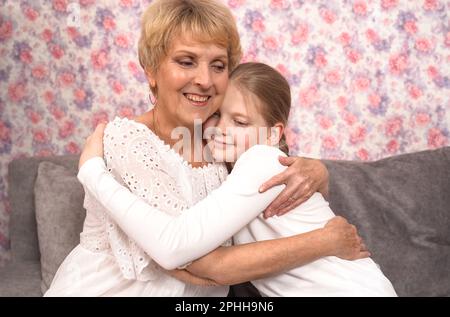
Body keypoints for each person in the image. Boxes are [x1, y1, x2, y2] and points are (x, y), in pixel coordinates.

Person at [45, 0, 365, 297]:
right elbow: (195, 261)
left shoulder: (221, 141)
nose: (204, 80)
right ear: (152, 70)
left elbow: (275, 169)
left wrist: (318, 171)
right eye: (186, 61)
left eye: (218, 65)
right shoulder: (126, 140)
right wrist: (325, 241)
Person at [77, 62, 396, 296]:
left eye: (240, 121)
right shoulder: (222, 170)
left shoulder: (262, 161)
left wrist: (94, 173)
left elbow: (181, 251)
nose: (222, 128)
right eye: (218, 115)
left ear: (273, 134)